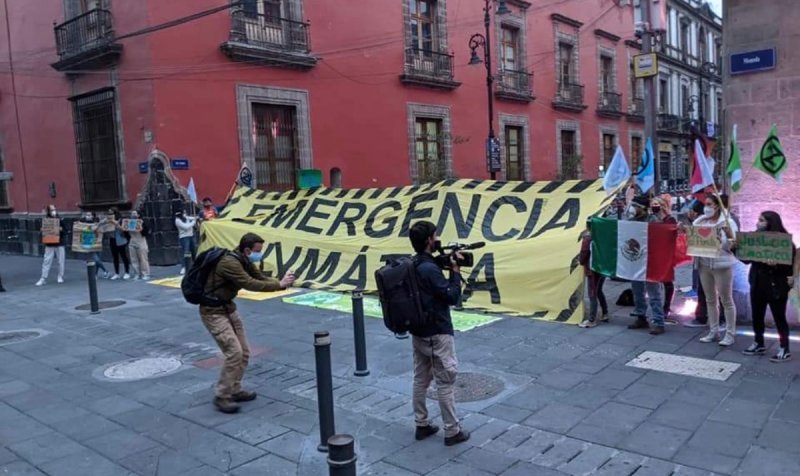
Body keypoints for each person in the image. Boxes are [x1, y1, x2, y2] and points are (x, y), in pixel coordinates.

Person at [200, 232, 295, 413]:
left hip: (229, 308)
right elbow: (250, 283)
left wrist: (282, 282)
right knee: (234, 352)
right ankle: (222, 395)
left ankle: (234, 389)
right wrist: (279, 285)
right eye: (258, 251)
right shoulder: (230, 263)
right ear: (247, 249)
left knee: (243, 352)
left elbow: (259, 277)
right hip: (213, 312)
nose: (260, 254)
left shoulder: (243, 260)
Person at [407, 220, 470, 446]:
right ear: (428, 241)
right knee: (445, 381)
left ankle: (421, 424)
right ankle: (452, 431)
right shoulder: (429, 269)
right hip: (437, 332)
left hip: (418, 331)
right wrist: (454, 272)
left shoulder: (413, 264)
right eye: (435, 236)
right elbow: (451, 296)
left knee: (420, 379)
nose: (437, 239)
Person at [740, 211, 795, 362]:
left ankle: (784, 348)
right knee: (757, 315)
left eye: (762, 220)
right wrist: (733, 248)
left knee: (779, 317)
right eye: (759, 219)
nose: (758, 222)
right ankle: (759, 342)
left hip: (776, 285)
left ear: (771, 223)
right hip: (757, 283)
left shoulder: (786, 243)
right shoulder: (755, 239)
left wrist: (776, 265)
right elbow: (746, 259)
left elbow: (790, 268)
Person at [692, 194, 738, 346]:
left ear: (717, 206)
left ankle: (730, 334)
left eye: (709, 204)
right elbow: (694, 240)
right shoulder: (700, 222)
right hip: (704, 265)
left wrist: (727, 235)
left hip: (721, 265)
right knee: (710, 299)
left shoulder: (728, 221)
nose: (706, 207)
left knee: (726, 300)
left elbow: (731, 247)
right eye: (705, 204)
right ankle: (714, 331)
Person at [626, 196, 667, 335]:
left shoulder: (653, 221)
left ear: (643, 208)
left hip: (650, 262)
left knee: (653, 293)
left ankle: (658, 321)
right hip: (636, 260)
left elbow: (660, 239)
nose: (633, 209)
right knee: (637, 291)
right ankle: (641, 316)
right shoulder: (631, 221)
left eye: (636, 206)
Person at [651, 194, 678, 323]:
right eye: (653, 204)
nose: (654, 207)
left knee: (667, 282)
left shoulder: (670, 219)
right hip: (654, 253)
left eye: (657, 204)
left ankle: (666, 307)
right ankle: (656, 307)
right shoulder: (651, 218)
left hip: (666, 254)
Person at [579, 218, 608, 328]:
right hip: (602, 269)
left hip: (592, 270)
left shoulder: (588, 237)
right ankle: (605, 313)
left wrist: (581, 261)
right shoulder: (603, 236)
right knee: (599, 291)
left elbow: (584, 252)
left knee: (592, 294)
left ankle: (591, 319)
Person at [36, 204, 66, 286]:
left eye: (55, 209)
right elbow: (42, 231)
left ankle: (60, 276)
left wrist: (61, 229)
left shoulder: (60, 219)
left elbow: (66, 230)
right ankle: (43, 278)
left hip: (59, 243)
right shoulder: (46, 220)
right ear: (49, 211)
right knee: (46, 260)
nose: (54, 211)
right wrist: (42, 230)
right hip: (49, 243)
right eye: (52, 210)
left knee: (61, 261)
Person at [79, 212, 109, 279]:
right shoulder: (83, 222)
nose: (87, 216)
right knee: (95, 258)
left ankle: (96, 274)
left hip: (98, 242)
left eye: (89, 215)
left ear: (92, 216)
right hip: (89, 243)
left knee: (97, 258)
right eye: (87, 215)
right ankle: (105, 271)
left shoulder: (96, 222)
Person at [106, 208, 131, 280]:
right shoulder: (108, 221)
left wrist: (115, 223)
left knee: (124, 257)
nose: (110, 214)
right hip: (112, 240)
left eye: (111, 213)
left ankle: (127, 272)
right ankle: (117, 273)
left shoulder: (121, 220)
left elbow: (124, 229)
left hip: (121, 240)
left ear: (115, 213)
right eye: (109, 213)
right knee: (115, 257)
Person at [127, 210, 151, 280]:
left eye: (135, 213)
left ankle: (145, 273)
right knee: (134, 259)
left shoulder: (142, 221)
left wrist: (142, 226)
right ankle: (137, 273)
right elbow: (126, 232)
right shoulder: (129, 222)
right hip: (132, 241)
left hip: (141, 241)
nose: (133, 215)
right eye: (132, 213)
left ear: (138, 215)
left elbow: (146, 232)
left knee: (143, 259)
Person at [175, 210, 198, 275]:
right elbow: (186, 227)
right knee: (186, 252)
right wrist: (194, 221)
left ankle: (196, 265)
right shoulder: (177, 221)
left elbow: (191, 218)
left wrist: (196, 217)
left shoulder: (185, 217)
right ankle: (184, 267)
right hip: (184, 238)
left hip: (191, 236)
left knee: (193, 251)